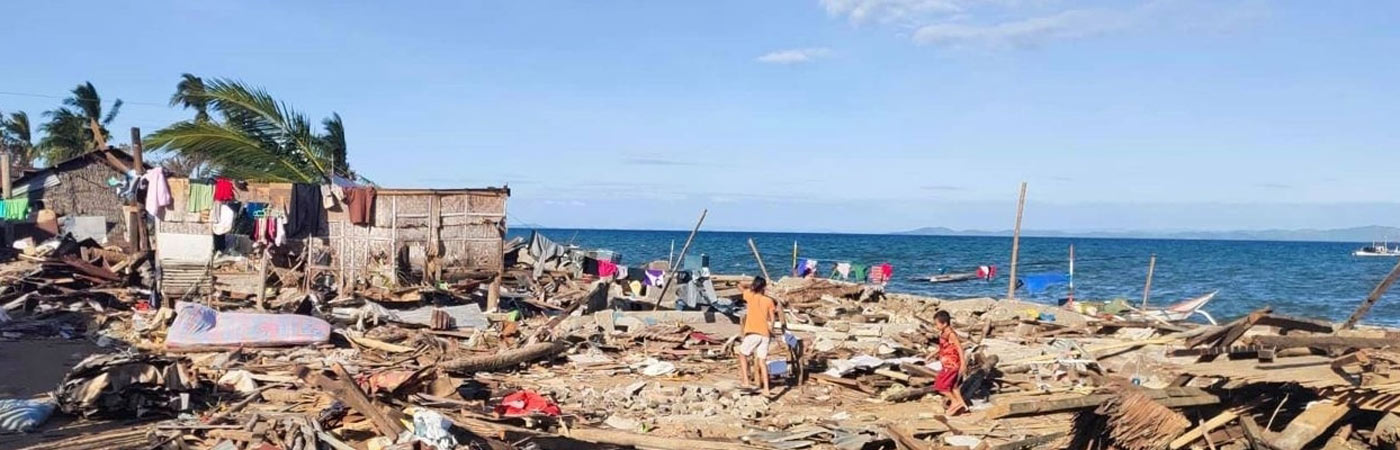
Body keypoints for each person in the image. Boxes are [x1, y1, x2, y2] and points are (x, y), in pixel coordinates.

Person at [737, 276, 782, 396]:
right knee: (762, 361)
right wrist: (770, 328)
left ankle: (746, 381)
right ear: (764, 287)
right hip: (765, 333)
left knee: (742, 354)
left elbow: (739, 285)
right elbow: (772, 319)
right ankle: (766, 389)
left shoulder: (750, 295)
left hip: (753, 332)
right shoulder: (768, 301)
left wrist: (750, 284)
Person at [929, 310, 968, 415]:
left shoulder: (951, 334)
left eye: (937, 324)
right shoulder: (943, 333)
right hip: (947, 363)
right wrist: (931, 354)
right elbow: (942, 347)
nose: (936, 326)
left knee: (940, 385)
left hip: (951, 364)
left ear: (944, 323)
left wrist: (963, 363)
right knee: (954, 387)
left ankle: (955, 402)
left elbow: (959, 348)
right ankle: (964, 408)